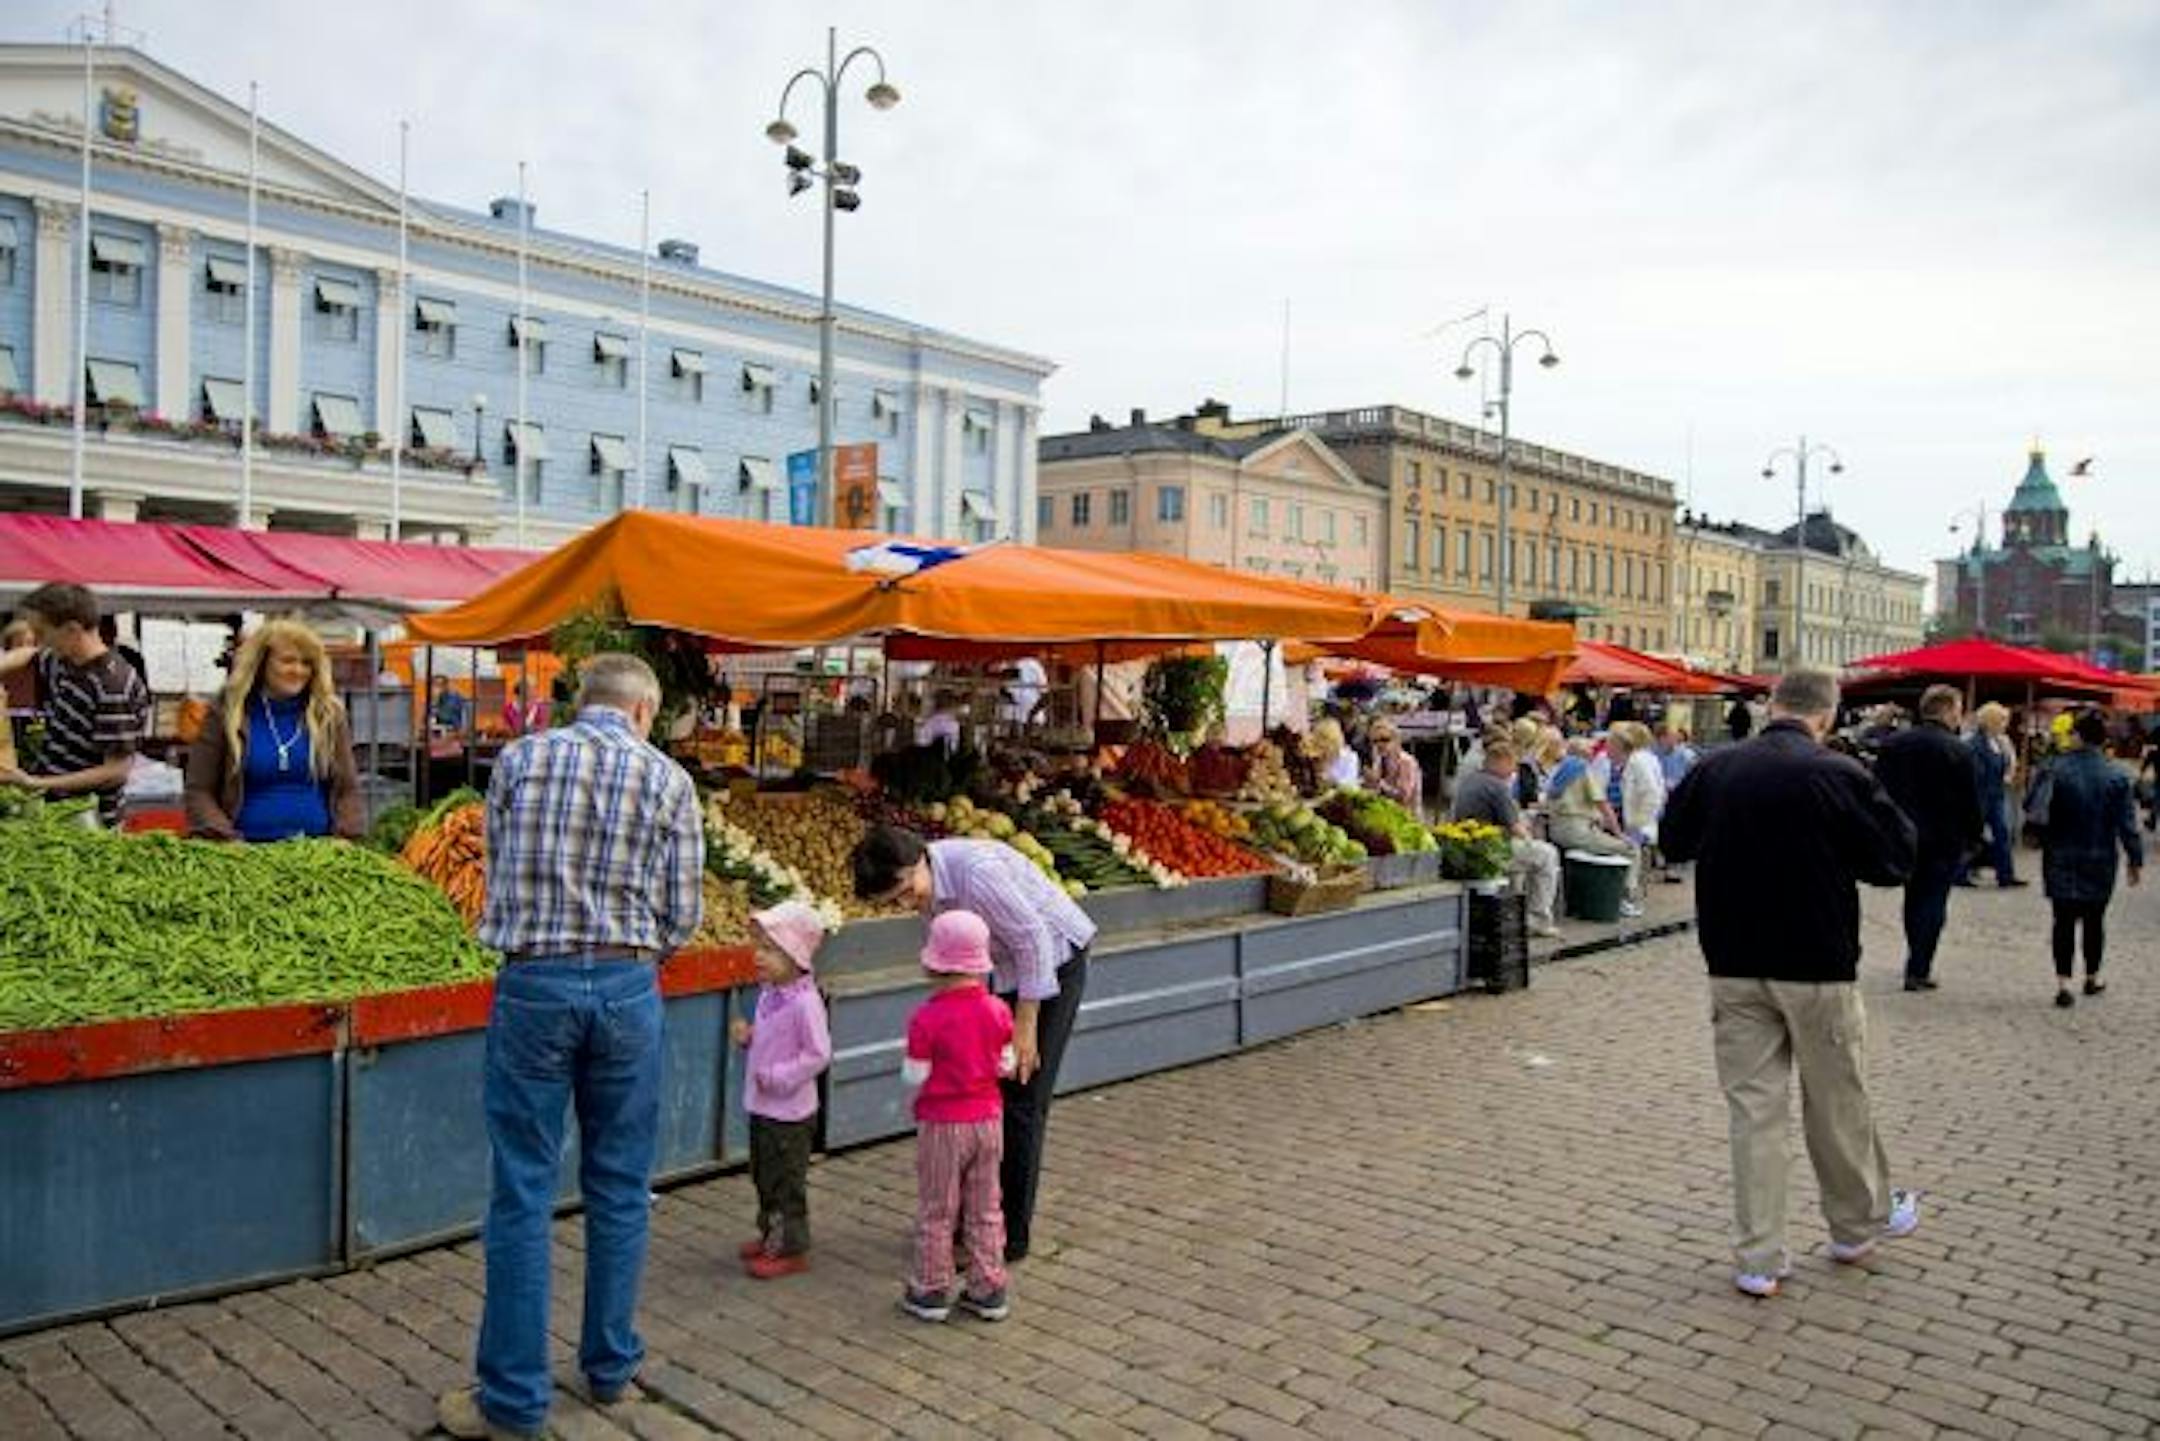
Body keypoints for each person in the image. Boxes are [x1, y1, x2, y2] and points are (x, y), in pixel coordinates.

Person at [437, 654, 704, 1441]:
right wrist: (631, 954)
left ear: (581, 701)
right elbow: (682, 913)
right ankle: (611, 1368)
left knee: (522, 1186)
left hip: (534, 984)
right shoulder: (668, 781)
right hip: (626, 987)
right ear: (644, 710)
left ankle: (513, 1400)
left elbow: (495, 866)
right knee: (620, 1183)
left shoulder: (519, 758)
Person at [1660, 669, 1922, 1298]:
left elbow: (1673, 840)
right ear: (1826, 716)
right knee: (1837, 1102)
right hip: (1816, 961)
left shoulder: (1717, 768)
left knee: (1755, 1114)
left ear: (1770, 705)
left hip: (1733, 960)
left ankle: (1759, 1256)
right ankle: (1854, 1226)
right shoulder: (1838, 773)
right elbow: (1894, 859)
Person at [853, 825, 1095, 1263]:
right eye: (896, 903)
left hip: (1054, 959)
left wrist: (1026, 1024)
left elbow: (1032, 938)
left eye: (907, 892)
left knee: (1023, 1096)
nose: (909, 905)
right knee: (987, 1097)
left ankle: (1009, 1237)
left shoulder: (975, 873)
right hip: (1003, 967)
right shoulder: (930, 887)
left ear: (918, 863)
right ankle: (976, 1221)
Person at [899, 910, 1018, 1323]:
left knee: (938, 1206)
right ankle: (989, 1286)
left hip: (943, 1122)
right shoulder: (998, 1010)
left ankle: (931, 1287)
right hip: (989, 1120)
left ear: (933, 963)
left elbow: (915, 1074)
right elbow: (1006, 1063)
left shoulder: (926, 1017)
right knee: (986, 1204)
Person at [183, 618, 364, 843]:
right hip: (243, 853)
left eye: (306, 663)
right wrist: (225, 840)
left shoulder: (329, 714)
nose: (298, 670)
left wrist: (345, 837)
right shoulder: (227, 711)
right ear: (262, 663)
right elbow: (199, 790)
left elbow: (348, 789)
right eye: (287, 661)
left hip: (318, 851)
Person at [731, 900, 832, 1278]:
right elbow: (775, 1039)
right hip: (763, 1106)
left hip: (789, 1112)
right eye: (758, 947)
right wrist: (751, 1037)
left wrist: (779, 1076)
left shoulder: (806, 1003)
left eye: (770, 950)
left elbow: (818, 1053)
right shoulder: (771, 994)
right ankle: (770, 1234)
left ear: (796, 956)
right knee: (763, 1174)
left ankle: (790, 1247)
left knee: (785, 1181)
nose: (759, 957)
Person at [0, 583, 150, 824]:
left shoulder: (112, 685)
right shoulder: (64, 660)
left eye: (42, 632)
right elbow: (30, 655)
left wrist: (35, 782)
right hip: (52, 809)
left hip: (90, 819)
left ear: (72, 630)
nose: (40, 641)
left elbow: (115, 771)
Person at [1873, 684, 1984, 993]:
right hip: (1944, 837)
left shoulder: (1895, 744)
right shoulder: (1958, 749)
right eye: (1958, 711)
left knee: (1913, 897)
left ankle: (1916, 956)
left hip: (1904, 834)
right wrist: (1975, 836)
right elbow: (1969, 798)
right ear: (1948, 710)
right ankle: (1919, 966)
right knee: (1933, 900)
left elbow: (1877, 791)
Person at [2038, 710, 2144, 1008]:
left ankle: (2063, 982)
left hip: (2060, 853)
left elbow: (2036, 811)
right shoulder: (2117, 775)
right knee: (2095, 919)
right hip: (2100, 855)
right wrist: (2135, 860)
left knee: (2063, 920)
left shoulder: (2054, 768)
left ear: (2077, 736)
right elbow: (2127, 824)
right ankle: (2092, 976)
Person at [1448, 736, 1563, 940]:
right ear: (1502, 762)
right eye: (1512, 765)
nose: (1514, 771)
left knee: (1528, 857)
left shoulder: (1472, 780)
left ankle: (1513, 915)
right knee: (1547, 855)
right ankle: (1538, 920)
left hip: (1468, 848)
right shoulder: (1497, 786)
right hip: (1489, 852)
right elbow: (1516, 827)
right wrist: (1531, 839)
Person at [1545, 736, 1642, 918]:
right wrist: (1619, 833)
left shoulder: (1559, 770)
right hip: (1577, 830)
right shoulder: (1582, 769)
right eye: (1591, 751)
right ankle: (1624, 898)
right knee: (1631, 849)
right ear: (1584, 753)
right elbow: (1602, 804)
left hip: (1557, 829)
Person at [1957, 701, 2025, 889]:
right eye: (2002, 720)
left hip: (1996, 795)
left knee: (2002, 834)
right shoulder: (1973, 743)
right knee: (1971, 835)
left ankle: (2006, 874)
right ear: (1992, 721)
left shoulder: (1999, 742)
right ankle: (1960, 872)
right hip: (1979, 796)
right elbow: (1975, 773)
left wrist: (2007, 776)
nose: (2005, 724)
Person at [1364, 717, 1423, 817]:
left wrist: (1378, 782)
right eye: (1375, 741)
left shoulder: (1406, 762)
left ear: (1396, 740)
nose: (1379, 744)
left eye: (1385, 739)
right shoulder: (1379, 760)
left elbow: (1404, 797)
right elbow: (1377, 791)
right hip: (1386, 816)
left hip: (1406, 819)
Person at [1309, 717, 1361, 791]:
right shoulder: (1316, 759)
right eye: (1318, 739)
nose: (1322, 743)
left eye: (1324, 739)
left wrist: (1330, 781)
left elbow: (1349, 784)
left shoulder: (1350, 757)